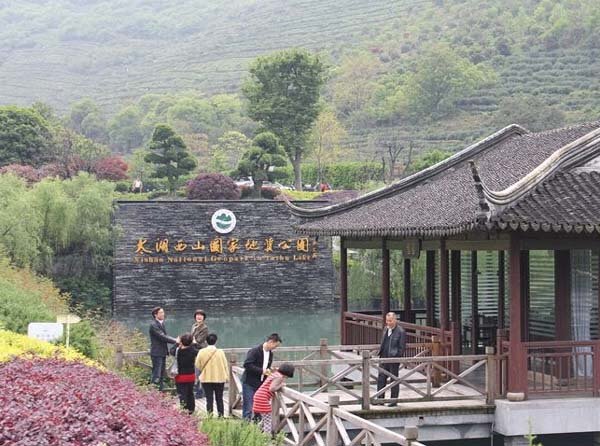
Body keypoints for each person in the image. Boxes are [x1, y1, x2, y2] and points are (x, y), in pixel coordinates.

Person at [241, 333, 282, 420]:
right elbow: (247, 365)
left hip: (261, 384)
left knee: (258, 408)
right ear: (271, 342)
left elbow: (266, 367)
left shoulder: (270, 354)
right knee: (248, 407)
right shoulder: (254, 351)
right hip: (249, 382)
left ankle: (257, 426)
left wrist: (270, 370)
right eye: (275, 346)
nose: (275, 348)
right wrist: (262, 371)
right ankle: (245, 425)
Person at [252, 363, 295, 435]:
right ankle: (266, 437)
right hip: (263, 398)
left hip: (259, 395)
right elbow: (272, 388)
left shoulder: (275, 374)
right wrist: (281, 385)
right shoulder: (279, 377)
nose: (286, 378)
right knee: (268, 421)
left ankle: (254, 432)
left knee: (265, 419)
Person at [376, 312, 406, 407]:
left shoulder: (400, 331)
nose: (388, 323)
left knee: (394, 379)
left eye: (390, 321)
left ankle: (393, 400)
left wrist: (397, 356)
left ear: (395, 320)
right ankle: (380, 399)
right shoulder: (386, 329)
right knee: (381, 378)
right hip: (383, 357)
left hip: (393, 359)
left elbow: (402, 347)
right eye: (387, 321)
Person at [195, 333, 229, 417]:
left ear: (206, 341)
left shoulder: (202, 352)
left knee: (209, 398)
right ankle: (221, 416)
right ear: (216, 341)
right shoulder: (220, 352)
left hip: (206, 378)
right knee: (219, 398)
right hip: (219, 378)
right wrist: (227, 376)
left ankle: (210, 415)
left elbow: (197, 365)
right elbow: (225, 365)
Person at [149, 306, 178, 390]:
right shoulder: (153, 325)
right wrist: (176, 340)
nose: (163, 314)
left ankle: (160, 392)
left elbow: (165, 336)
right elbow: (162, 336)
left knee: (161, 374)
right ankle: (153, 392)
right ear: (155, 315)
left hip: (162, 352)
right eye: (161, 312)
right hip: (157, 353)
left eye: (163, 312)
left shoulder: (161, 323)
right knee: (157, 375)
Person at [174, 333, 197, 414]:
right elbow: (199, 350)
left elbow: (171, 351)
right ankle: (191, 410)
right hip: (191, 376)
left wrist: (176, 343)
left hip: (180, 376)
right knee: (190, 393)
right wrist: (194, 343)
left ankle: (184, 410)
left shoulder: (178, 351)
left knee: (182, 394)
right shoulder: (193, 351)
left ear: (181, 341)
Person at [191, 309, 209, 398]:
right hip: (194, 351)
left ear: (204, 318)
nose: (199, 317)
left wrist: (193, 341)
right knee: (196, 371)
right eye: (197, 315)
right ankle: (198, 391)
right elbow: (192, 339)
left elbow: (199, 341)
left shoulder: (204, 328)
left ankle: (201, 392)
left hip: (201, 351)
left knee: (200, 371)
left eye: (201, 315)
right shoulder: (194, 326)